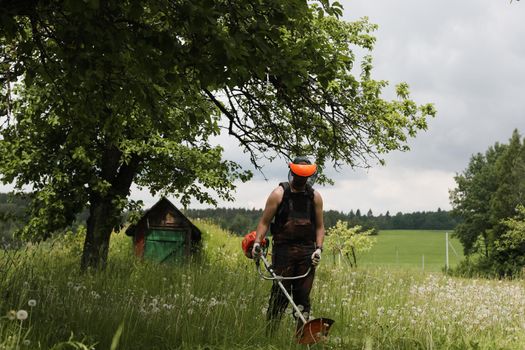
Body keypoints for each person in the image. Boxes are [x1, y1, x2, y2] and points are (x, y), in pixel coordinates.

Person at [252, 156, 325, 334]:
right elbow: (264, 222)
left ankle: (302, 338)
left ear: (309, 177)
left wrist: (318, 249)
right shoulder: (279, 193)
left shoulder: (314, 196)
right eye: (298, 176)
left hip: (307, 252)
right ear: (292, 173)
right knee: (279, 296)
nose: (301, 179)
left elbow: (320, 227)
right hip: (283, 251)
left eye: (305, 176)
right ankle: (270, 336)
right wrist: (257, 242)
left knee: (302, 298)